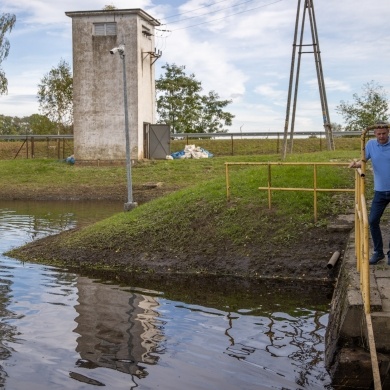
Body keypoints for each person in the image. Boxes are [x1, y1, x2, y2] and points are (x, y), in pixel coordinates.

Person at [349, 121, 390, 265]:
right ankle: (378, 252)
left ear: (388, 132)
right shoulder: (371, 145)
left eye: (384, 133)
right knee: (372, 221)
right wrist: (355, 164)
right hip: (380, 190)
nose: (381, 136)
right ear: (374, 134)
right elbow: (363, 160)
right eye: (378, 134)